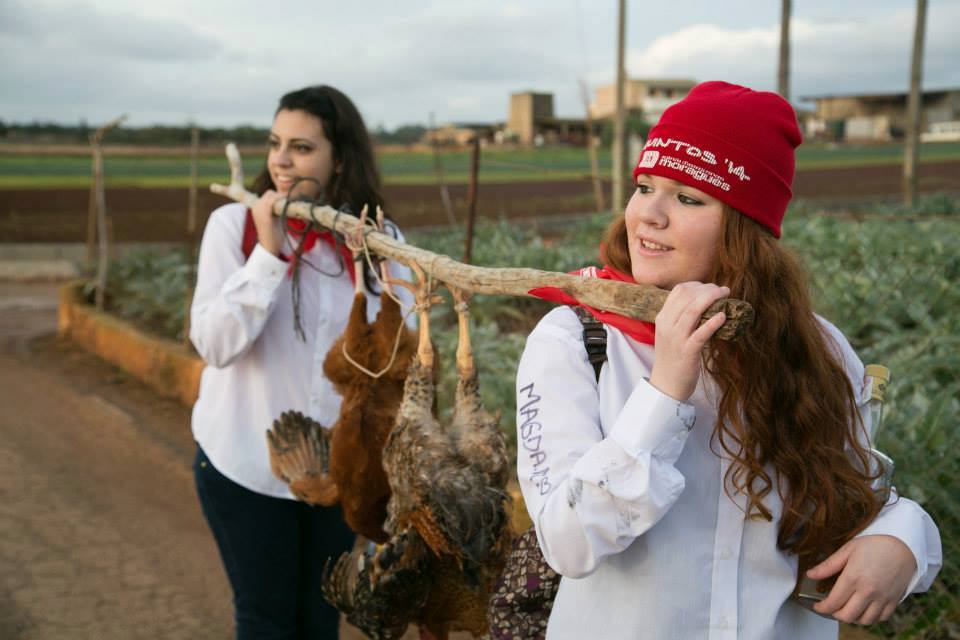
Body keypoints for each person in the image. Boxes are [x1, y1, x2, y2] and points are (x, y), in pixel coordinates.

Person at [517, 81, 942, 638]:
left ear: (747, 230)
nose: (649, 215)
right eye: (645, 186)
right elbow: (567, 542)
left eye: (688, 198)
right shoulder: (576, 340)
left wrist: (906, 541)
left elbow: (860, 496)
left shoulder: (820, 349)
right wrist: (665, 393)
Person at [190, 85, 411, 639]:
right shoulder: (232, 229)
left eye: (302, 148)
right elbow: (215, 346)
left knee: (318, 622)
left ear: (340, 158)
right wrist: (269, 256)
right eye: (275, 144)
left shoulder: (380, 242)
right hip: (243, 466)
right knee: (266, 621)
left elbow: (393, 364)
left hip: (338, 476)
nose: (280, 162)